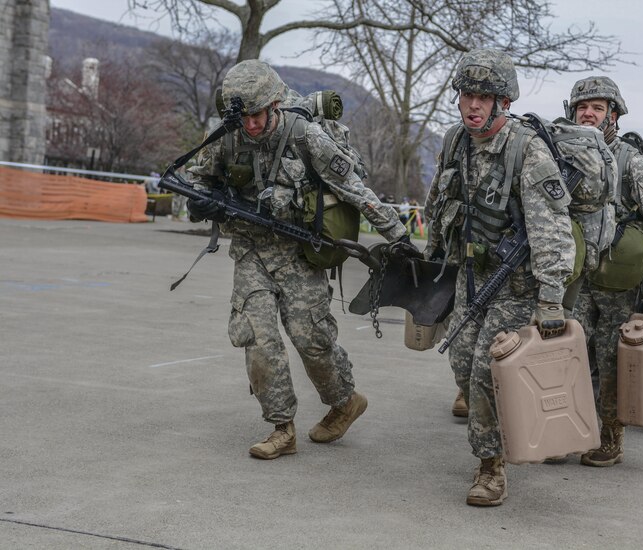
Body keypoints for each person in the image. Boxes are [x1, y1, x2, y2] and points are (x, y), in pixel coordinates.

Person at [186, 60, 410, 460]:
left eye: (257, 115)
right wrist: (201, 200)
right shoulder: (228, 134)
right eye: (244, 117)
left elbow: (354, 188)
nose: (251, 125)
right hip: (252, 252)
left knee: (311, 340)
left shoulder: (304, 134)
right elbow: (198, 177)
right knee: (257, 337)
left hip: (301, 254)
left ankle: (344, 401)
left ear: (274, 105)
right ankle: (280, 427)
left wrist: (399, 237)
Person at [425, 49, 575, 506]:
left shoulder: (526, 151)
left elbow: (553, 229)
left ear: (502, 102)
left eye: (483, 97)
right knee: (459, 361)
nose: (473, 105)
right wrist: (431, 258)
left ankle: (491, 468)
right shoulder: (456, 141)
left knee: (485, 371)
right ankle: (500, 432)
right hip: (472, 277)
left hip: (516, 285)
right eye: (467, 95)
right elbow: (438, 199)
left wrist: (551, 299)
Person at [566, 76, 643, 466]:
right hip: (577, 279)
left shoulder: (636, 167)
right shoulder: (562, 158)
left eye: (597, 107)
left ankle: (610, 436)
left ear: (613, 114)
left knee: (610, 358)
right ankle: (567, 430)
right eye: (582, 107)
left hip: (617, 283)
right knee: (569, 352)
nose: (588, 113)